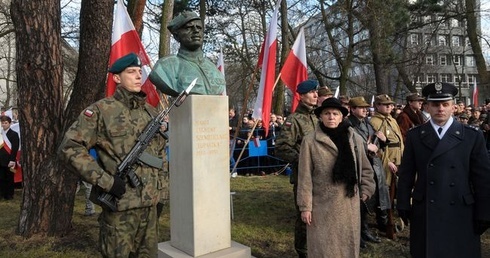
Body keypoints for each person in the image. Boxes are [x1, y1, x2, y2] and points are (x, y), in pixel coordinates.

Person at [58, 53, 167, 257]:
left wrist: (162, 191)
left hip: (150, 206)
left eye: (139, 72)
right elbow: (69, 147)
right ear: (117, 78)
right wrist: (106, 181)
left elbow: (160, 155)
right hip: (121, 207)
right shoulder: (101, 111)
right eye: (131, 72)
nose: (138, 76)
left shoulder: (151, 113)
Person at [397, 82, 490, 258]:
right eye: (435, 104)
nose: (440, 108)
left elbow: (483, 178)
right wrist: (402, 203)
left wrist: (485, 212)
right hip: (426, 208)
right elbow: (407, 173)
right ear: (427, 107)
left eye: (445, 104)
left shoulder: (471, 135)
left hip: (461, 209)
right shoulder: (415, 135)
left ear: (453, 107)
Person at [297, 98, 375, 258]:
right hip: (322, 205)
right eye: (327, 113)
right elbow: (305, 177)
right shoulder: (311, 141)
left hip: (349, 204)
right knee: (323, 249)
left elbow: (366, 168)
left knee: (347, 248)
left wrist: (366, 190)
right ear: (320, 117)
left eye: (335, 114)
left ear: (342, 117)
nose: (331, 117)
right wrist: (305, 207)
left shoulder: (354, 139)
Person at [275, 79, 318, 258]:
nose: (316, 95)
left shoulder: (317, 117)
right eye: (311, 92)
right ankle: (303, 252)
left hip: (320, 176)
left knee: (318, 216)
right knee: (304, 217)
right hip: (303, 177)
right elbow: (282, 147)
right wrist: (303, 160)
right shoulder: (294, 120)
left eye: (316, 92)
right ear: (301, 96)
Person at [347, 97, 391, 248]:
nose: (365, 110)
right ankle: (357, 235)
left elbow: (376, 142)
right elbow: (349, 146)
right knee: (358, 202)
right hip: (357, 166)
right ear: (352, 109)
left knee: (368, 199)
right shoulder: (348, 125)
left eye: (366, 107)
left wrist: (383, 140)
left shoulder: (366, 123)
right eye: (361, 107)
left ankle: (364, 230)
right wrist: (367, 148)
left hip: (372, 164)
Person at [149, 11, 225, 97]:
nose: (196, 31)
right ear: (176, 36)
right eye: (188, 28)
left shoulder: (213, 68)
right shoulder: (165, 66)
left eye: (199, 27)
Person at [0, 115, 19, 200]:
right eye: (2, 123)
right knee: (1, 177)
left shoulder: (14, 134)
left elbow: (15, 148)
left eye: (5, 123)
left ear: (10, 123)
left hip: (10, 160)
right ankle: (2, 194)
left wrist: (12, 159)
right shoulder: (0, 134)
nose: (4, 124)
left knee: (10, 177)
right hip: (1, 160)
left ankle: (9, 194)